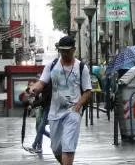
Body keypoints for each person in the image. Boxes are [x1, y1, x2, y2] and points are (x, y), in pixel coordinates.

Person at [28, 36, 92, 165]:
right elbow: (42, 83)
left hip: (73, 112)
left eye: (67, 50)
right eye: (61, 50)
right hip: (54, 112)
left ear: (74, 50)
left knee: (68, 146)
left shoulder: (81, 67)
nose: (64, 53)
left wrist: (78, 105)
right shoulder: (51, 66)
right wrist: (34, 89)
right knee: (56, 148)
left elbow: (88, 91)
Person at [28, 75, 52, 154]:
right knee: (40, 128)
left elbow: (43, 100)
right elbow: (38, 99)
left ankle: (35, 146)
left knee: (41, 128)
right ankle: (38, 146)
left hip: (49, 109)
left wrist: (32, 105)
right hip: (44, 109)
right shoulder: (40, 89)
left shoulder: (47, 87)